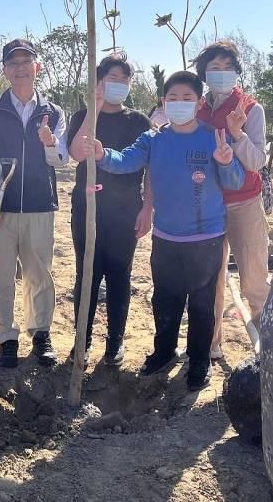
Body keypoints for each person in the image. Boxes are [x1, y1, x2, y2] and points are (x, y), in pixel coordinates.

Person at [83, 71, 245, 390]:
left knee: (201, 303)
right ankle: (164, 352)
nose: (180, 104)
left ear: (199, 103)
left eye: (187, 99)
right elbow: (125, 161)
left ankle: (199, 362)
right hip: (166, 237)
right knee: (165, 299)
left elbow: (234, 181)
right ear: (163, 102)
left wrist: (226, 162)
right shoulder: (154, 140)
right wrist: (102, 154)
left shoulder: (213, 136)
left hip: (206, 238)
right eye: (173, 98)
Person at [0, 38, 68, 368]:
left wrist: (50, 142)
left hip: (40, 207)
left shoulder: (54, 113)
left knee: (39, 273)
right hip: (1, 208)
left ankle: (40, 332)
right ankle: (5, 338)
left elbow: (61, 161)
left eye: (26, 62)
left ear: (36, 67)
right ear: (5, 70)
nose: (20, 68)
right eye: (13, 63)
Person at [67, 52, 153, 366]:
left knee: (120, 275)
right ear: (99, 81)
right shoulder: (83, 116)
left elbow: (150, 169)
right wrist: (95, 109)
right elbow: (77, 153)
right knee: (86, 274)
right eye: (110, 78)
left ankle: (115, 344)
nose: (117, 84)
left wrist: (148, 207)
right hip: (87, 207)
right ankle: (82, 341)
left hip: (125, 208)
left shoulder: (139, 122)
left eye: (123, 79)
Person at [193, 40, 269, 360]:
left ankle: (269, 346)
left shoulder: (250, 108)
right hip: (207, 205)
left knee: (253, 278)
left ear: (237, 72)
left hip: (244, 205)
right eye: (214, 68)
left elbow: (256, 162)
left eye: (227, 68)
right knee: (211, 279)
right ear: (204, 74)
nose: (221, 74)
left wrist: (238, 134)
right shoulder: (196, 107)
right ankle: (211, 346)